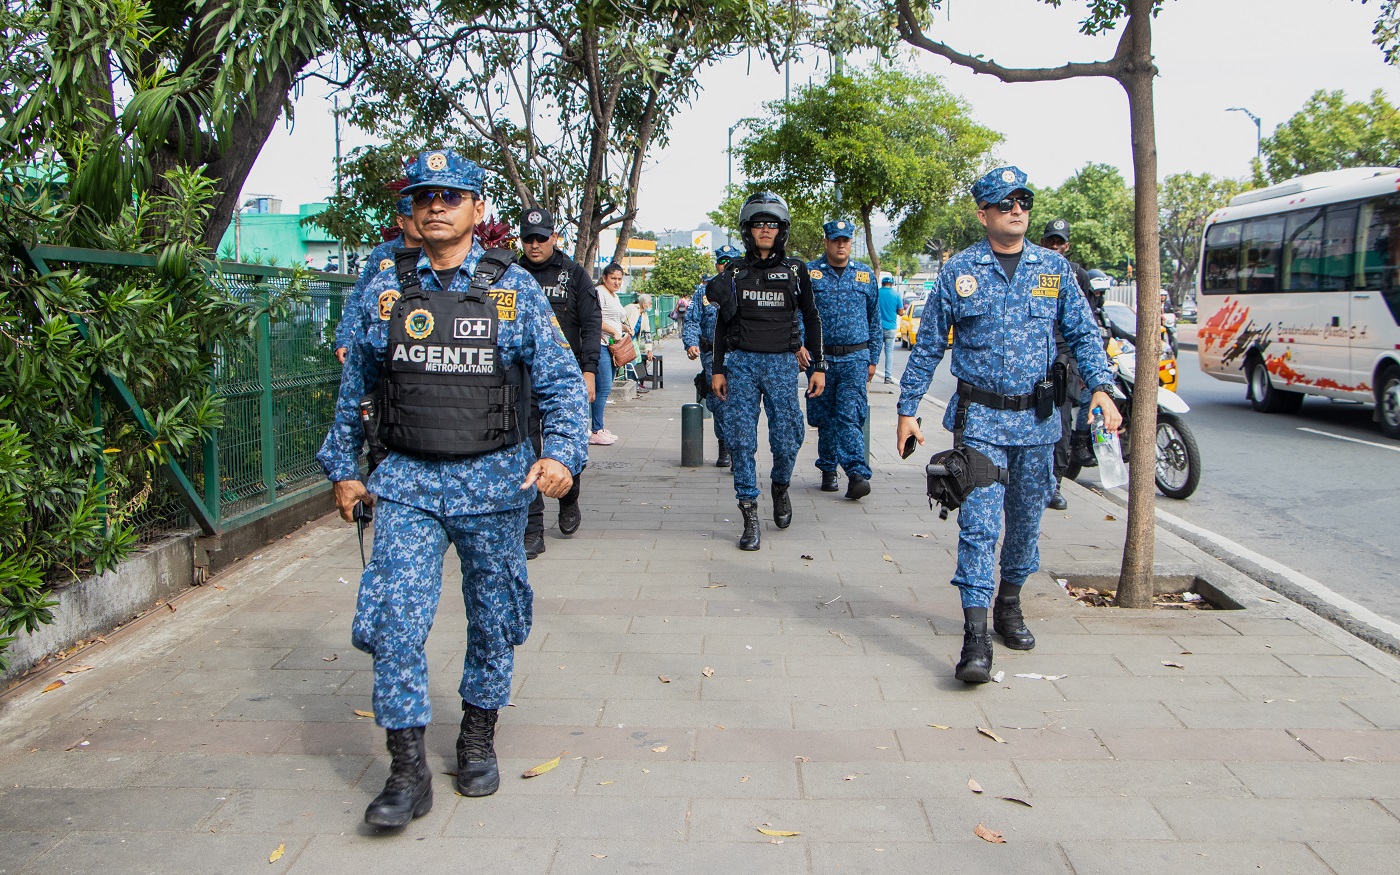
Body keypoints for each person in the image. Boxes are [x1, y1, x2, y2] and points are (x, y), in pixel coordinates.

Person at [316, 149, 588, 828]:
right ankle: (406, 768)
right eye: (424, 196)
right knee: (394, 620)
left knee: (494, 618)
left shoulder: (514, 288)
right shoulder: (382, 282)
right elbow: (356, 385)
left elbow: (558, 382)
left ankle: (476, 736)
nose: (435, 205)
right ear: (410, 209)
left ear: (476, 209)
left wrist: (561, 455)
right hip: (406, 479)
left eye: (450, 195)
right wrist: (346, 468)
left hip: (494, 481)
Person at [896, 166, 1119, 685]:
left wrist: (1102, 388)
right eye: (1004, 203)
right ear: (984, 214)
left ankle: (1010, 603)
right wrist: (908, 410)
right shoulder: (960, 271)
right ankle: (975, 637)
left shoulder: (1054, 269)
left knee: (1023, 527)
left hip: (1038, 425)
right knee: (978, 527)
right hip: (980, 425)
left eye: (1023, 201)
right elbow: (928, 344)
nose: (1016, 209)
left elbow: (1084, 335)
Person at [709, 191, 826, 551]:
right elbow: (720, 325)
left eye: (771, 225)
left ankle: (780, 486)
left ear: (781, 230)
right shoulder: (734, 272)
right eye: (758, 224)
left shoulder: (796, 270)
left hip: (781, 364)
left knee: (788, 438)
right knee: (741, 441)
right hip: (741, 363)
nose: (765, 230)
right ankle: (749, 515)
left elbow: (812, 317)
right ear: (748, 229)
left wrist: (817, 367)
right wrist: (717, 368)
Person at [518, 208, 602, 558]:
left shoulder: (573, 275)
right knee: (527, 450)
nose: (535, 244)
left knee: (564, 443)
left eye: (541, 237)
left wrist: (589, 371)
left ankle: (569, 496)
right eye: (528, 238)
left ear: (554, 237)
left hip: (563, 379)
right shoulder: (510, 273)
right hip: (520, 379)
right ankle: (532, 527)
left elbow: (591, 323)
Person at [805, 219, 881, 499]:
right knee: (824, 418)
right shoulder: (811, 273)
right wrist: (802, 349)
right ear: (826, 242)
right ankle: (827, 468)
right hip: (820, 360)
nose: (841, 245)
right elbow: (800, 315)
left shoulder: (864, 275)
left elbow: (874, 319)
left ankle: (856, 472)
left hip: (855, 358)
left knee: (849, 415)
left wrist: (872, 358)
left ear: (851, 242)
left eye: (845, 240)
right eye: (835, 240)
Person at [1039, 218, 1099, 511]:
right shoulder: (1033, 270)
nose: (1055, 246)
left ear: (1067, 245)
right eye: (1050, 241)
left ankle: (1055, 483)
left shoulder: (1078, 276)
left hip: (1065, 359)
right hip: (1035, 355)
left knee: (1061, 422)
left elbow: (1087, 324)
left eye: (1059, 242)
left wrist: (1089, 369)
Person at [335, 191, 423, 364]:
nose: (419, 222)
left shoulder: (439, 253)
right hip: (384, 340)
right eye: (412, 218)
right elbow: (359, 296)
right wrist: (344, 338)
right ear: (401, 221)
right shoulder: (383, 254)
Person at [684, 245, 742, 467]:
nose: (726, 265)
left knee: (740, 402)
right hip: (712, 355)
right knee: (719, 401)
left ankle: (739, 449)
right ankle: (724, 446)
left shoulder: (746, 288)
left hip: (740, 355)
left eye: (731, 261)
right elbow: (692, 320)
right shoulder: (704, 292)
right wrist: (690, 343)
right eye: (722, 261)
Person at [592, 263, 627, 444]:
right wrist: (613, 331)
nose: (616, 282)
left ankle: (599, 426)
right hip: (601, 344)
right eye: (613, 278)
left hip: (612, 345)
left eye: (619, 279)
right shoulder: (599, 292)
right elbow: (595, 318)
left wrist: (622, 327)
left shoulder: (614, 296)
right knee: (603, 388)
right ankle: (595, 429)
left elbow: (612, 318)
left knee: (606, 387)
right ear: (604, 278)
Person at [621, 293, 654, 392]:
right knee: (631, 361)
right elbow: (619, 320)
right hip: (624, 338)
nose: (650, 306)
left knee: (637, 360)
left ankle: (636, 383)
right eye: (650, 303)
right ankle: (631, 382)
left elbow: (647, 333)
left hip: (633, 339)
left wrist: (649, 350)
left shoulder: (644, 315)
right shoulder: (631, 308)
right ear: (644, 304)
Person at [877, 276, 903, 384]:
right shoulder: (896, 295)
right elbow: (901, 312)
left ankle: (869, 374)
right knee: (889, 353)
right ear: (891, 284)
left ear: (882, 284)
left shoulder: (877, 293)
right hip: (891, 328)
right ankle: (887, 376)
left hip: (877, 327)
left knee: (875, 352)